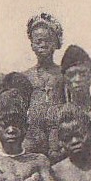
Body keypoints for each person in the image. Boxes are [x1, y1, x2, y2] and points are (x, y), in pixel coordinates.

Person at [23, 13, 66, 155]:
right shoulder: (25, 76)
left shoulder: (64, 74)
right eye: (38, 41)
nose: (43, 44)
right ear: (32, 45)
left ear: (55, 43)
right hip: (33, 134)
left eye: (48, 40)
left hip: (59, 134)